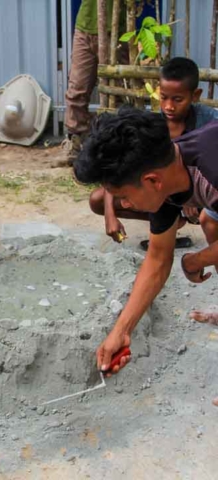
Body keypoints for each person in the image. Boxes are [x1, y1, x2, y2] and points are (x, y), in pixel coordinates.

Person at [73, 108, 218, 393]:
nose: (124, 206)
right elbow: (157, 259)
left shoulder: (212, 168)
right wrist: (121, 331)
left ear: (152, 181)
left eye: (124, 197)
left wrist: (196, 260)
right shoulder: (167, 178)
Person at [88, 57, 218, 243]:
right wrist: (111, 214)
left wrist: (196, 260)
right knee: (98, 199)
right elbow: (121, 169)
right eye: (164, 97)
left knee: (209, 221)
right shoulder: (150, 127)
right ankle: (169, 224)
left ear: (195, 95)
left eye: (177, 99)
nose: (168, 106)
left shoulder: (210, 124)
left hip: (204, 197)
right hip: (169, 194)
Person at [57, 0, 127, 167]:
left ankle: (115, 146)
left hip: (116, 29)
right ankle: (74, 143)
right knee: (77, 89)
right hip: (85, 27)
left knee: (117, 92)